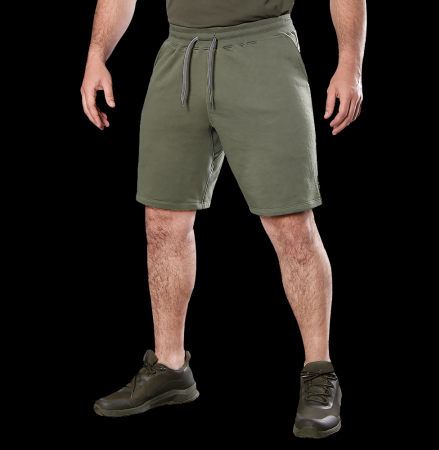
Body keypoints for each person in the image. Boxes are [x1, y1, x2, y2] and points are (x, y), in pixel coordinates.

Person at [81, 0, 366, 438]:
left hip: (264, 51)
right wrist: (96, 55)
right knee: (162, 223)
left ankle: (319, 372)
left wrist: (350, 64)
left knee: (291, 225)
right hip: (180, 54)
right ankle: (170, 367)